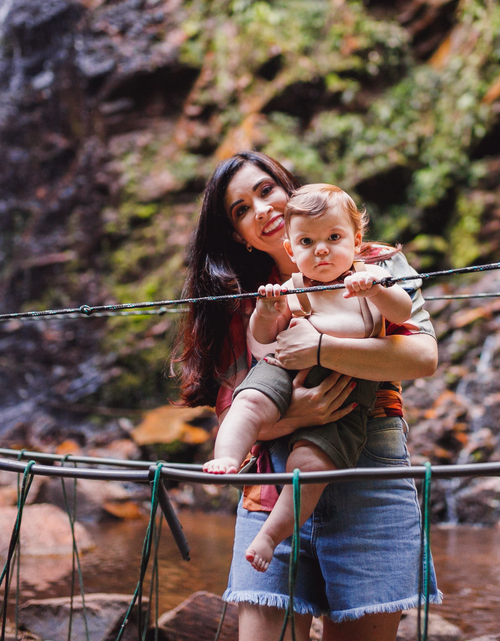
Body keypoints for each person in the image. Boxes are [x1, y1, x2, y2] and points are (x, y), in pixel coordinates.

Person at [174, 151, 441, 641]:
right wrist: (296, 415)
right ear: (238, 234)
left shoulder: (374, 266)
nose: (260, 209)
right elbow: (237, 409)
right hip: (270, 484)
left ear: (288, 189)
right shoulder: (246, 300)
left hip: (368, 473)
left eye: (265, 190)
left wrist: (322, 348)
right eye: (240, 210)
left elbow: (422, 357)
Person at [204, 183, 414, 572]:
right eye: (307, 241)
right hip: (283, 369)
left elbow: (402, 313)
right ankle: (227, 459)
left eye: (334, 238)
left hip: (346, 389)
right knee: (248, 401)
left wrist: (376, 291)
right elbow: (263, 340)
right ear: (291, 250)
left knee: (310, 466)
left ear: (356, 240)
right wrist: (267, 310)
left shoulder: (371, 274)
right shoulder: (293, 286)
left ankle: (270, 534)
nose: (321, 250)